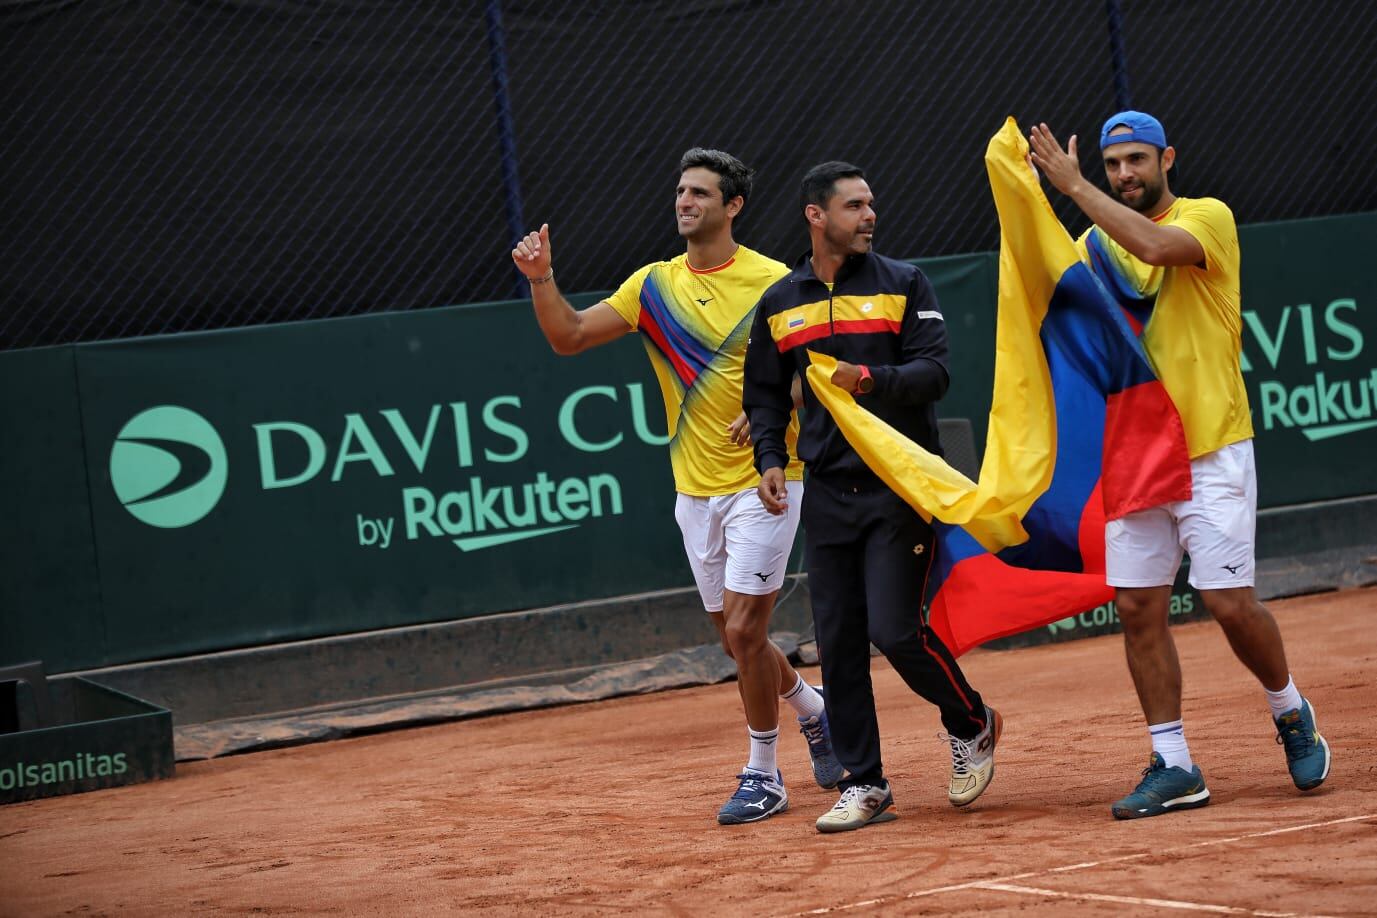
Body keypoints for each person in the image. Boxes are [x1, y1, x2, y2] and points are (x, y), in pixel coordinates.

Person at [509, 148, 842, 825]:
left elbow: (822, 373)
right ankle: (815, 711)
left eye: (698, 193)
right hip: (694, 489)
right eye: (680, 192)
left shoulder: (776, 282)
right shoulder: (651, 285)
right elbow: (569, 337)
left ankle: (761, 773)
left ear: (732, 206)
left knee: (747, 629)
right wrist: (542, 279)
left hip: (769, 479)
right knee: (735, 639)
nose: (683, 202)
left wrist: (770, 406)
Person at [1028, 111, 1332, 819]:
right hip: (1134, 453)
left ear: (1166, 157)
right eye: (1112, 166)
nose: (1125, 175)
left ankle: (1289, 709)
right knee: (1136, 607)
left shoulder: (1207, 217)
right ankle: (1173, 763)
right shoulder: (1093, 244)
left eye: (1136, 160)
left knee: (1227, 603)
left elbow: (1159, 247)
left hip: (1210, 447)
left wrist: (1073, 190)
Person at [743, 161, 1001, 834]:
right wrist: (769, 458)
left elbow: (935, 372)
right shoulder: (778, 302)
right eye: (854, 205)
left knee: (895, 631)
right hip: (826, 493)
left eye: (870, 204)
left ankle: (970, 721)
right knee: (838, 645)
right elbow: (765, 395)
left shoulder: (904, 282)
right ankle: (864, 784)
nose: (869, 215)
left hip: (898, 488)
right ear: (815, 215)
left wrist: (871, 380)